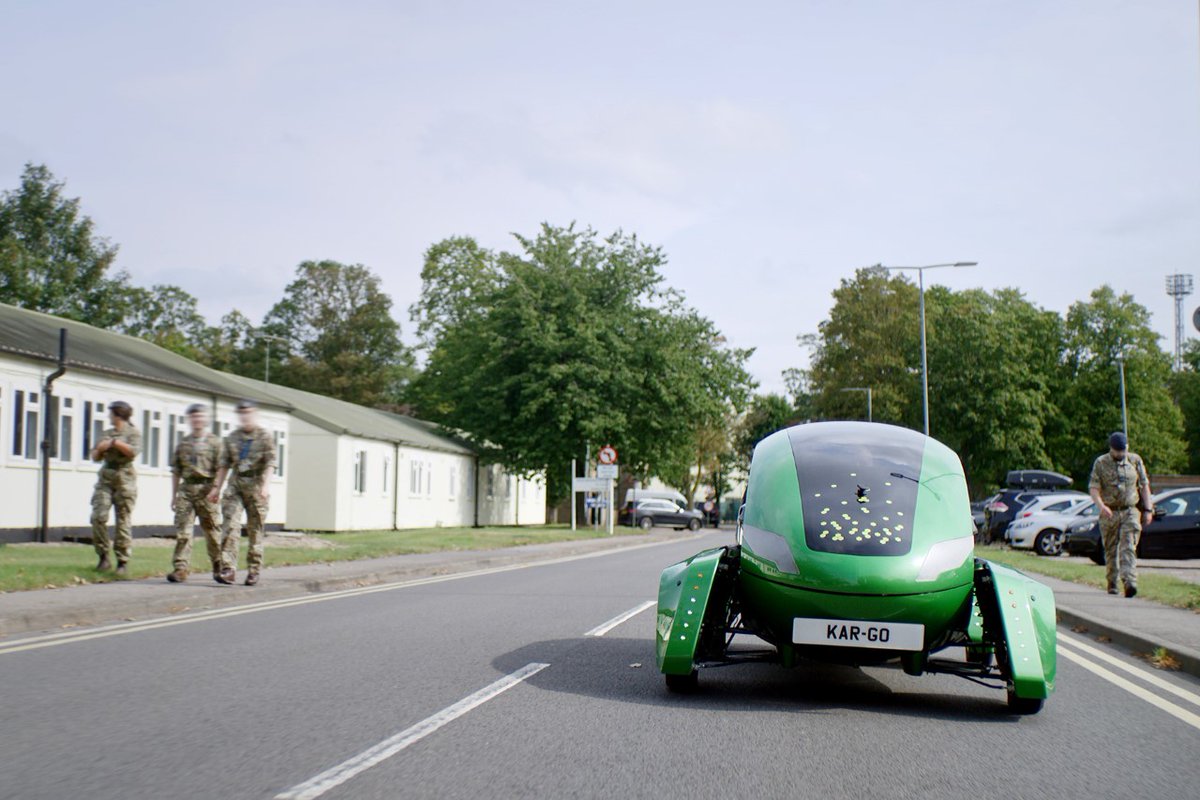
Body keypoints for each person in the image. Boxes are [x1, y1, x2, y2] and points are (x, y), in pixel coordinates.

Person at [208, 400, 275, 586]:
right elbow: (224, 465)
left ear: (255, 414)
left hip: (257, 486)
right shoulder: (232, 438)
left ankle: (254, 570)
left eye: (249, 413)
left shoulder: (264, 437)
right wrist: (216, 488)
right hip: (236, 485)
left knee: (255, 530)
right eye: (242, 413)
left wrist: (266, 486)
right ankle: (228, 569)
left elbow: (270, 463)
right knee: (230, 526)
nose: (245, 417)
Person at [1088, 431, 1153, 598]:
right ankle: (1112, 581)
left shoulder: (1135, 461)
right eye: (1118, 451)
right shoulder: (1101, 463)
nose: (1121, 454)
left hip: (1130, 510)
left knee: (1129, 547)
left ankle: (1129, 582)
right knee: (1111, 550)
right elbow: (1094, 488)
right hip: (1109, 512)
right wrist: (1101, 506)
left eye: (1123, 450)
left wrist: (1148, 509)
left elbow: (1144, 486)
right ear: (1112, 449)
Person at [167, 403, 222, 583]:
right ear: (189, 420)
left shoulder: (216, 443)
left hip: (207, 490)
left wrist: (216, 489)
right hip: (187, 490)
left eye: (200, 416)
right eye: (193, 417)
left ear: (206, 420)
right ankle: (180, 568)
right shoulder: (183, 444)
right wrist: (174, 495)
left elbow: (222, 468)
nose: (197, 420)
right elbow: (176, 470)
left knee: (212, 532)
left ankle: (218, 565)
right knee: (183, 532)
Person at [90, 400, 142, 576]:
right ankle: (103, 556)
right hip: (106, 478)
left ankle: (122, 561)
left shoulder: (133, 433)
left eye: (110, 413)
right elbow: (95, 455)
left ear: (117, 415)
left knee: (123, 521)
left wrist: (114, 444)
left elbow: (133, 452)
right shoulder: (107, 433)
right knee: (98, 516)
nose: (108, 416)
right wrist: (100, 449)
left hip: (125, 479)